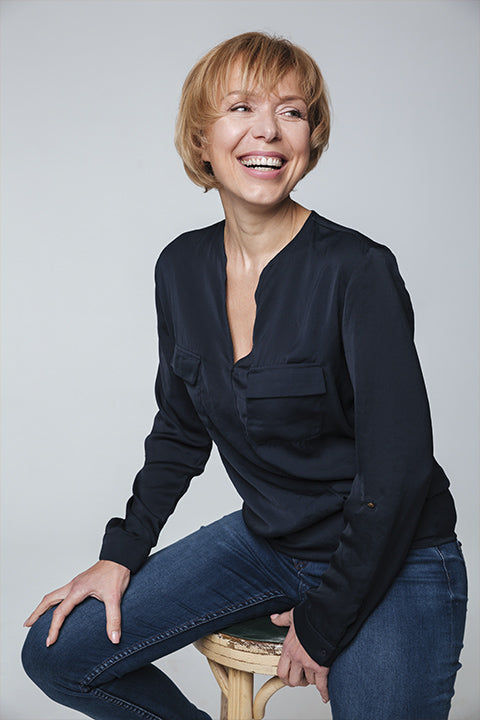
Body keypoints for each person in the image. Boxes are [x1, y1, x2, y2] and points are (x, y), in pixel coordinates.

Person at [22, 32, 467, 720]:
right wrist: (121, 553)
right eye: (242, 108)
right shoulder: (180, 267)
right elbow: (180, 428)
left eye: (292, 112)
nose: (269, 130)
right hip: (269, 544)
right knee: (59, 655)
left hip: (396, 556)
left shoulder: (358, 269)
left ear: (310, 139)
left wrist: (325, 621)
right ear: (202, 139)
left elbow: (397, 473)